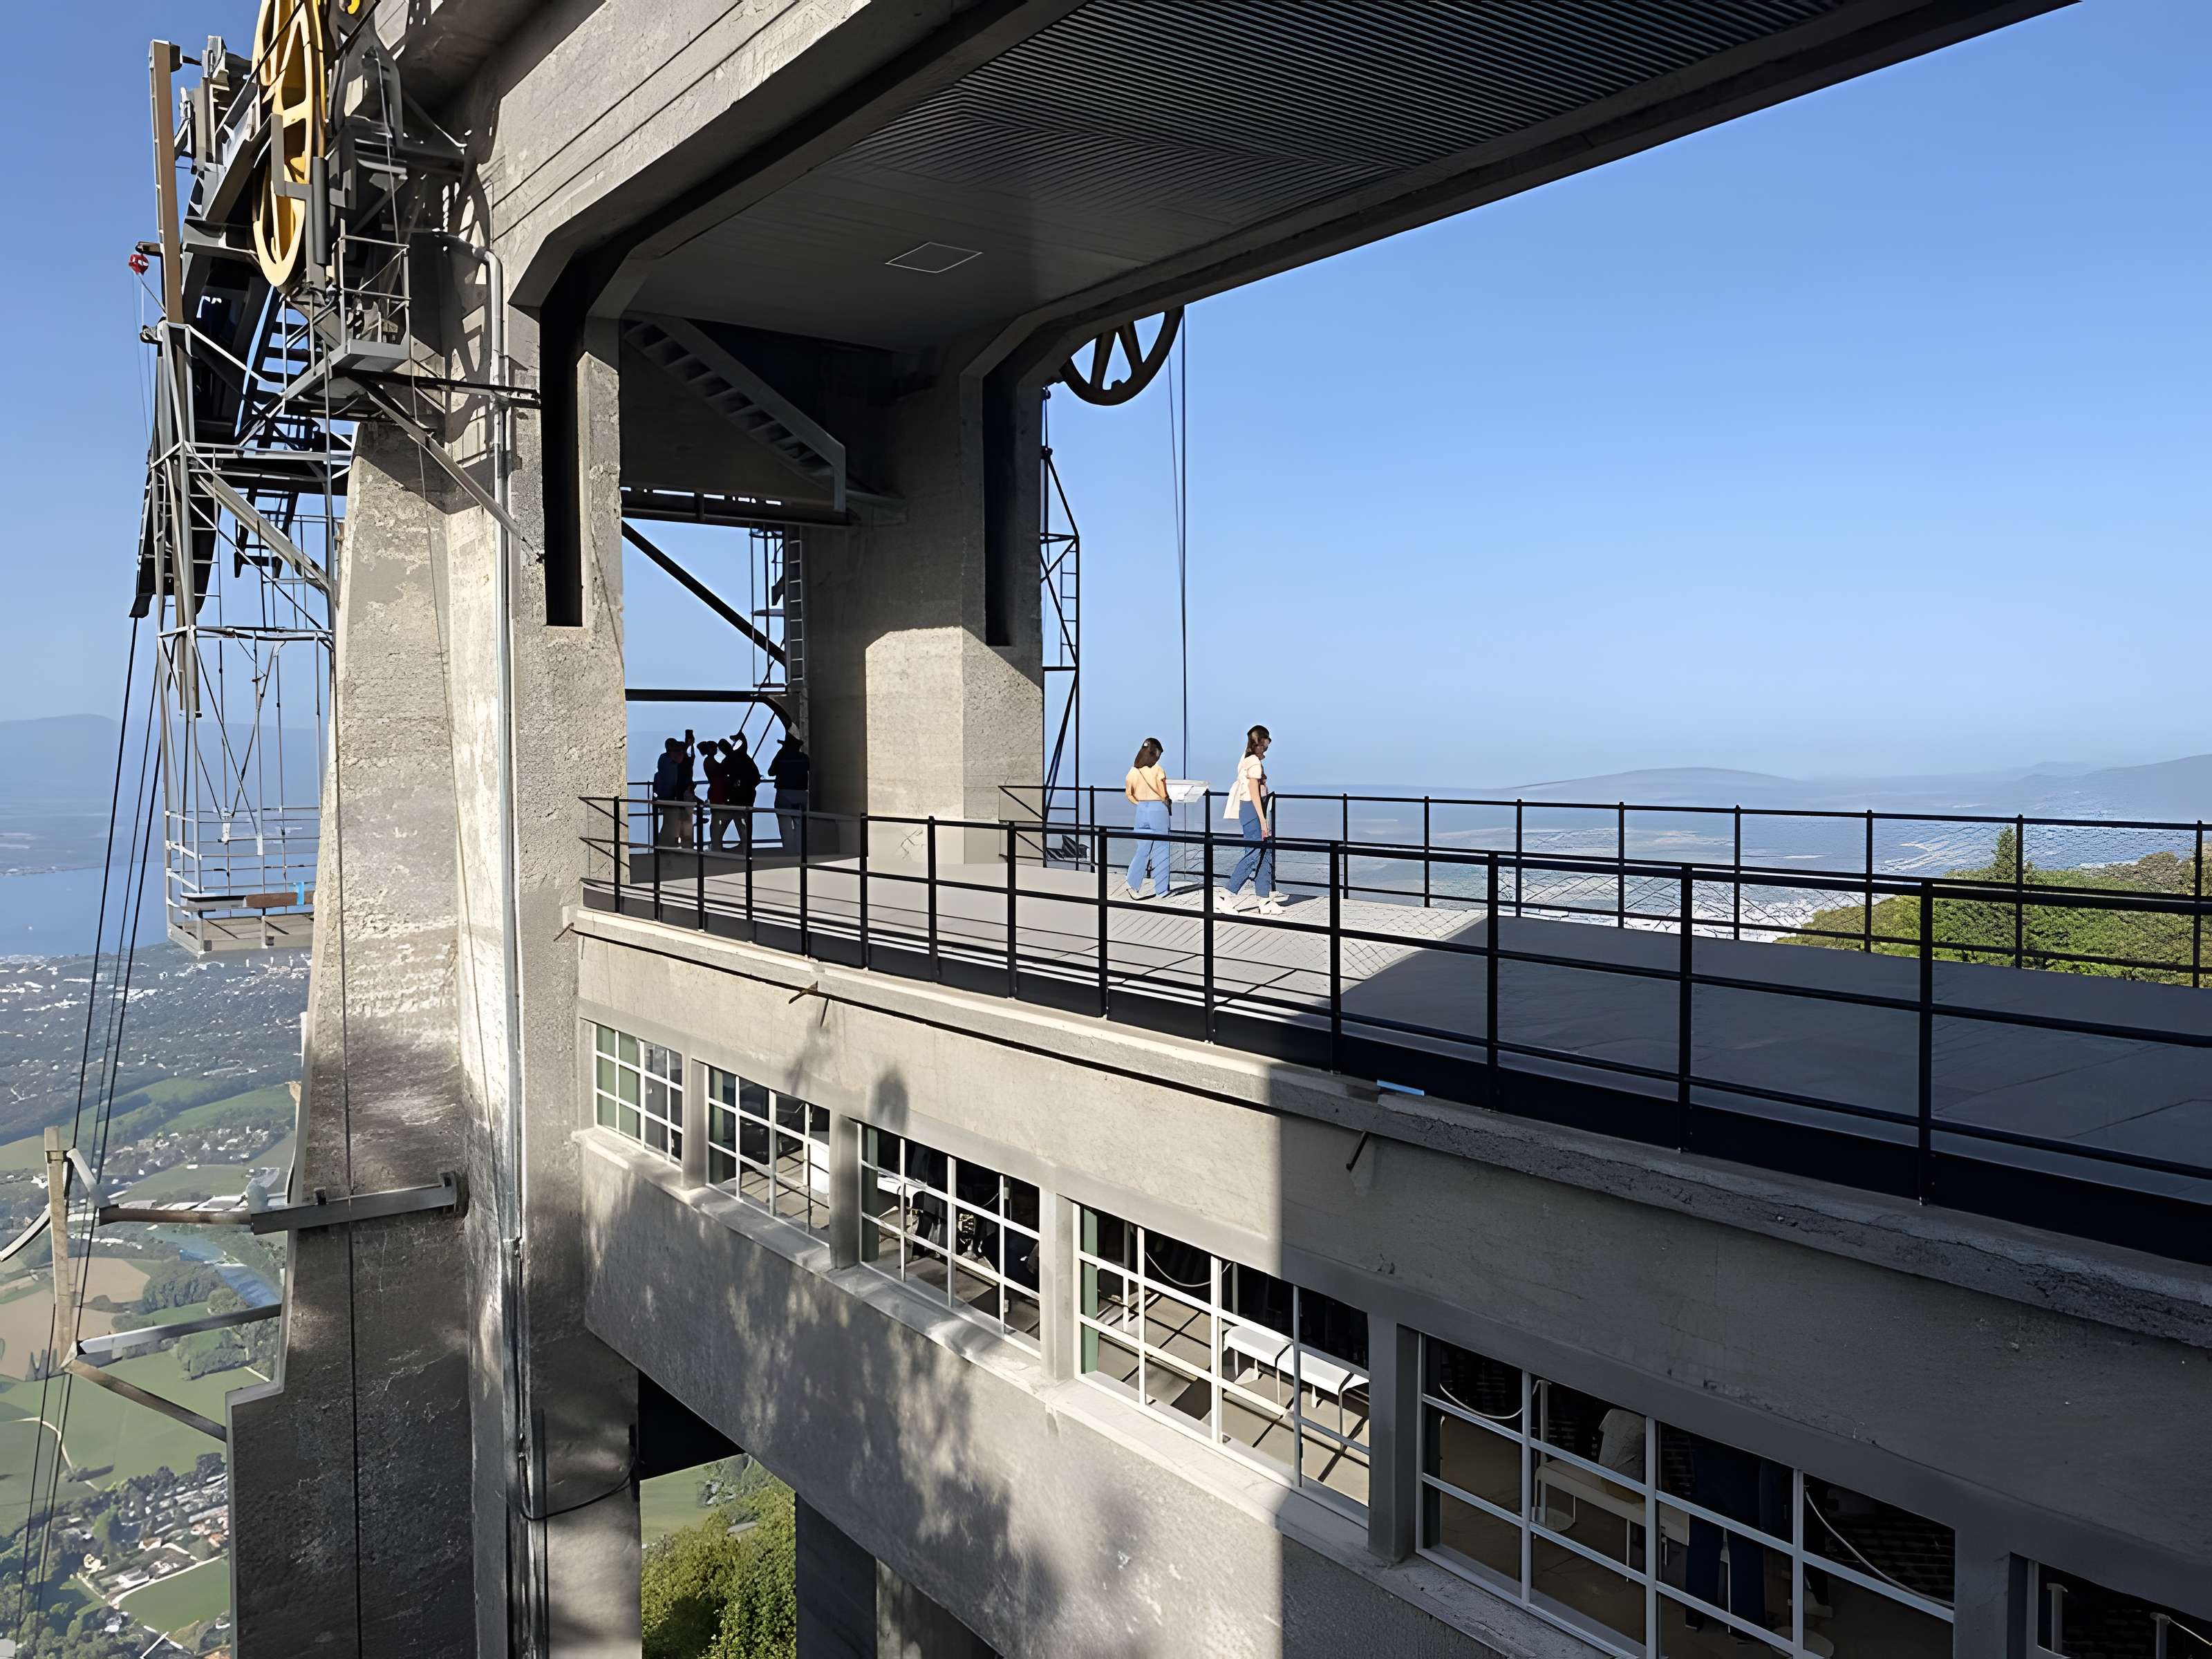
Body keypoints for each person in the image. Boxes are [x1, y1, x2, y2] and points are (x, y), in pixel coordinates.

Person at [1221, 725, 1282, 914]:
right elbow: (1254, 794)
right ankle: (1226, 896)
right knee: (1254, 853)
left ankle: (1264, 899)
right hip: (1254, 810)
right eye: (1267, 739)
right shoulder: (1254, 762)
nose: (1269, 743)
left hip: (1251, 810)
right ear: (1261, 742)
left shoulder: (1247, 759)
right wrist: (1263, 821)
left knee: (1265, 853)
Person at [1123, 738, 1173, 900]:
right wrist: (1165, 801)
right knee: (1161, 850)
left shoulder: (1133, 771)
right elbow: (1163, 793)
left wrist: (1141, 804)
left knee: (1143, 850)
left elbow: (1129, 794)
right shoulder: (1158, 770)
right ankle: (1162, 890)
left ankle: (1131, 883)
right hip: (1157, 809)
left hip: (1141, 810)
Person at [650, 732, 697, 847]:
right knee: (671, 825)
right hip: (670, 798)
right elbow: (680, 760)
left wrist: (687, 746)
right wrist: (687, 746)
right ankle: (666, 846)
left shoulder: (664, 760)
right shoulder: (668, 760)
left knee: (673, 824)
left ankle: (666, 845)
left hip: (671, 798)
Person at [768, 732, 812, 853]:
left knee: (785, 824)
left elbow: (771, 772)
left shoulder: (782, 757)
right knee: (800, 824)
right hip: (801, 793)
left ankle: (788, 851)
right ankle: (800, 851)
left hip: (784, 793)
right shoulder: (804, 758)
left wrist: (780, 753)